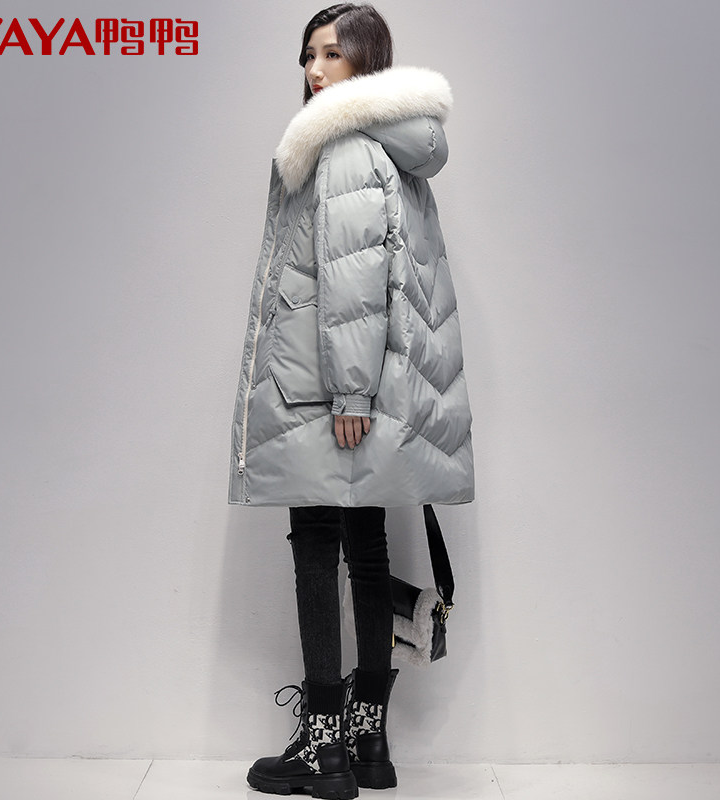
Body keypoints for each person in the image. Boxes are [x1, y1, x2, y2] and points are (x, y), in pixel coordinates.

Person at [228, 4, 474, 797]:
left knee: (316, 541)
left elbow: (355, 281)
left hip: (327, 385)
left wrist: (349, 392)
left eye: (331, 54)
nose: (314, 70)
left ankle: (323, 747)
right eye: (308, 55)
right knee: (366, 541)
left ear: (367, 60)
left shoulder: (341, 144)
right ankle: (369, 741)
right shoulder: (392, 144)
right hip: (355, 384)